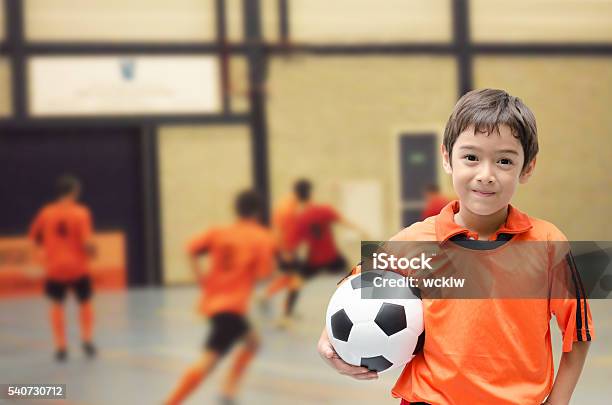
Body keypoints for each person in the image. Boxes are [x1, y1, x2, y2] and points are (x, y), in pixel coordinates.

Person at [317, 89, 594, 404]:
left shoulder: (548, 244)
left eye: (504, 160)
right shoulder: (413, 242)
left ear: (527, 168)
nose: (485, 175)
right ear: (447, 158)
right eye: (471, 157)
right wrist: (330, 337)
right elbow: (355, 289)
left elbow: (579, 334)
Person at [165, 190, 276, 405]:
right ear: (258, 212)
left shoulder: (219, 232)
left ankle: (229, 390)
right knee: (208, 361)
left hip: (212, 302)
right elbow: (264, 274)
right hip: (232, 307)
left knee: (252, 342)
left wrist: (201, 278)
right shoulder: (261, 237)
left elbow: (190, 249)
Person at [277, 179, 365, 328]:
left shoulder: (300, 219)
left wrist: (287, 257)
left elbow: (291, 246)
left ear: (297, 196)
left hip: (314, 260)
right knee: (354, 275)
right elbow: (344, 221)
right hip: (331, 256)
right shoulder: (324, 210)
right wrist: (361, 230)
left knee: (296, 282)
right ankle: (364, 307)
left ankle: (286, 316)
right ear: (311, 193)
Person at [29, 174, 96, 362]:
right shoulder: (81, 213)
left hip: (55, 267)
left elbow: (34, 236)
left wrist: (46, 252)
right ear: (74, 191)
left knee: (57, 304)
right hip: (78, 267)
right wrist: (92, 251)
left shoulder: (46, 212)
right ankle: (87, 339)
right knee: (85, 302)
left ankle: (61, 347)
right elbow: (87, 242)